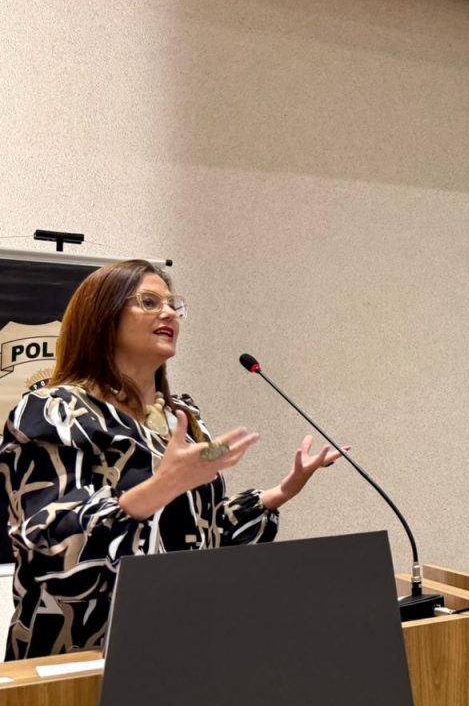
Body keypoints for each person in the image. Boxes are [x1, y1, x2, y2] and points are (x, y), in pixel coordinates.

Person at [0, 259, 341, 659]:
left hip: (179, 644)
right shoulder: (52, 410)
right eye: (148, 301)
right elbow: (50, 537)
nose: (168, 314)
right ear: (102, 317)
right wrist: (161, 487)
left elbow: (201, 531)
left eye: (172, 305)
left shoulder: (185, 418)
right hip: (80, 653)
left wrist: (281, 492)